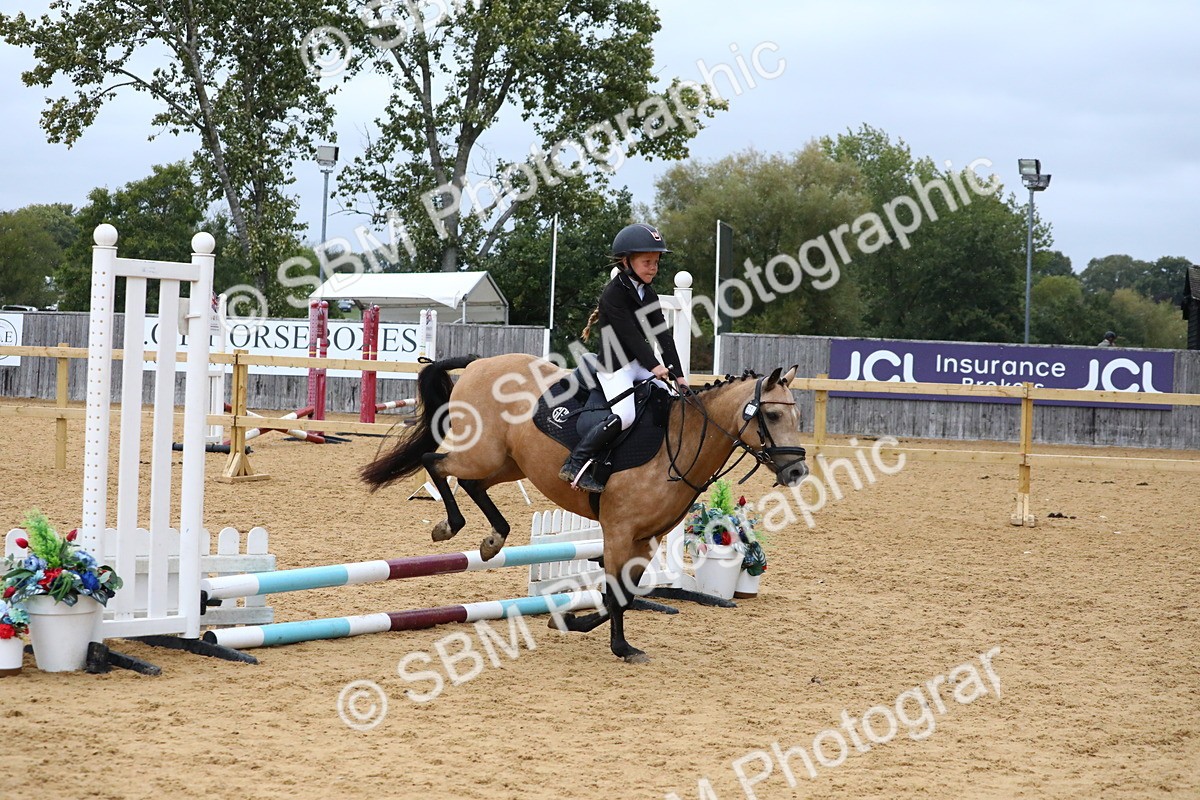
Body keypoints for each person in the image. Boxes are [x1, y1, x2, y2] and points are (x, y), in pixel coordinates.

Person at [558, 223, 690, 493]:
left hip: (640, 364)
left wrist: (679, 376)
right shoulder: (613, 294)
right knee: (625, 414)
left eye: (656, 262)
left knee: (669, 398)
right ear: (626, 261)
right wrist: (655, 366)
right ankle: (576, 461)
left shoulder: (648, 292)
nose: (653, 268)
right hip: (615, 366)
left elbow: (662, 335)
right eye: (647, 262)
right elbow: (630, 336)